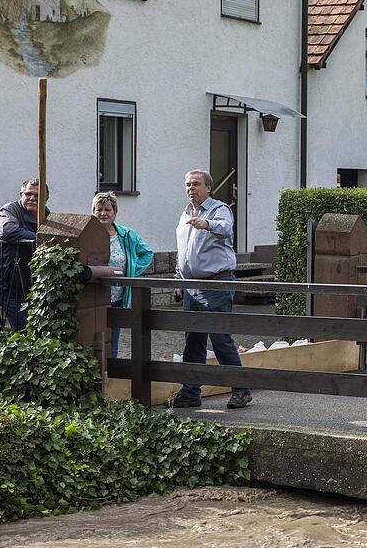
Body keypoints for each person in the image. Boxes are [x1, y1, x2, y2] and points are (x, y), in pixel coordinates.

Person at [169, 169, 252, 410]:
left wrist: (206, 224)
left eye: (195, 184)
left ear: (208, 188)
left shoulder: (219, 209)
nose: (190, 189)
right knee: (192, 342)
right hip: (191, 285)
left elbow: (225, 228)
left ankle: (241, 389)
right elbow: (183, 251)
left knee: (220, 339)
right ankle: (191, 392)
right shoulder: (185, 213)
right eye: (187, 184)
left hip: (216, 284)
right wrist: (178, 280)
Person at [92, 192, 154, 358]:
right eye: (99, 210)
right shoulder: (88, 234)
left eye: (107, 209)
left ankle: (111, 377)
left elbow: (147, 253)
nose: (103, 213)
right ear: (93, 212)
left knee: (112, 341)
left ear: (114, 213)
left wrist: (131, 271)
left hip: (117, 297)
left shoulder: (126, 235)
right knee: (93, 340)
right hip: (93, 297)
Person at [0, 178, 49, 330]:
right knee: (24, 332)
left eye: (37, 195)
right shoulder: (9, 210)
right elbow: (7, 231)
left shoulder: (47, 215)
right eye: (28, 194)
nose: (32, 198)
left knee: (38, 334)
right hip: (11, 286)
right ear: (21, 194)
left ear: (46, 198)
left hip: (36, 287)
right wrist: (40, 238)